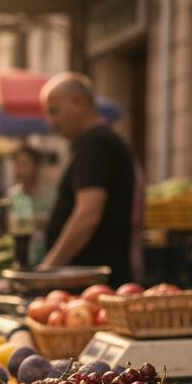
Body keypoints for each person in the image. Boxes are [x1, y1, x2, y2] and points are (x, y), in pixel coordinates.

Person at [38, 71, 137, 284]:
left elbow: (88, 215)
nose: (51, 121)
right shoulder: (101, 141)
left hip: (92, 283)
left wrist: (48, 269)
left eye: (54, 111)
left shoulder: (95, 144)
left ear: (79, 102)